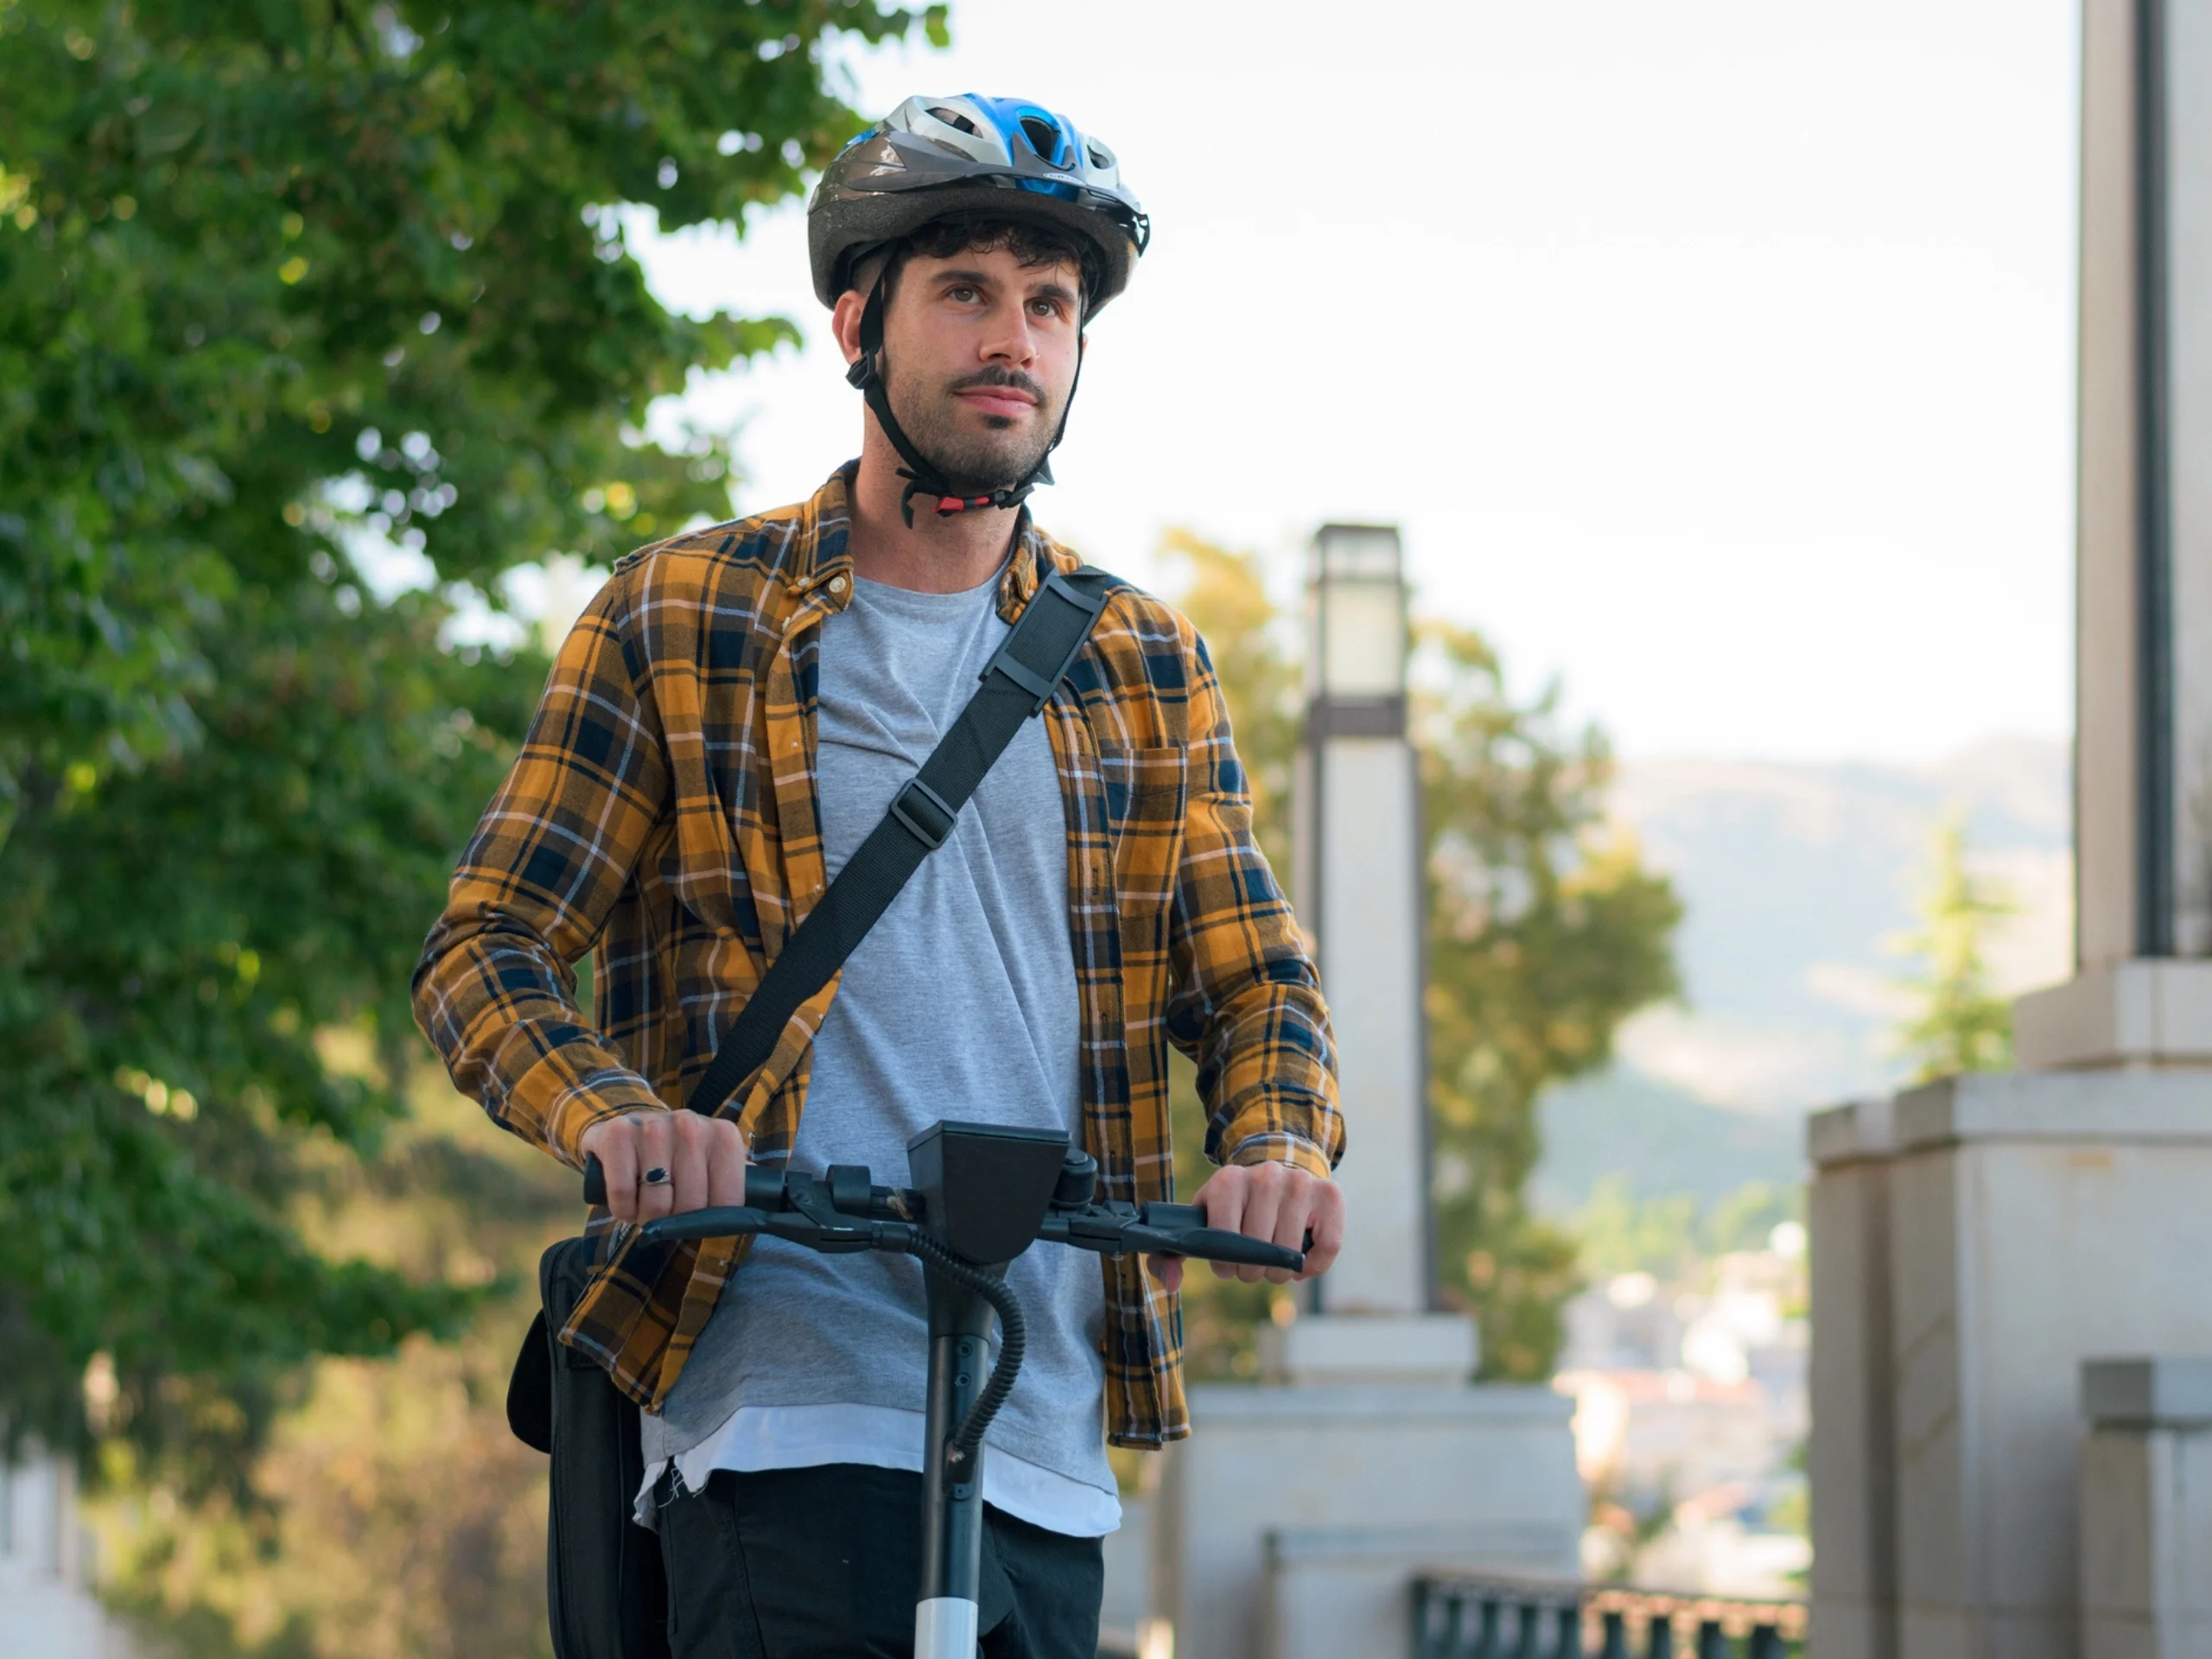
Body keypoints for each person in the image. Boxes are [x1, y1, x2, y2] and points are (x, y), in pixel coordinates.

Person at [413, 93, 1345, 1658]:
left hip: (1043, 1422)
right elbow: (485, 945)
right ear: (860, 322)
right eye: (968, 290)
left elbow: (1258, 982)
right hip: (783, 1396)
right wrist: (614, 1115)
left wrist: (1277, 1142)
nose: (1015, 337)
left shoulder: (1141, 663)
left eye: (1049, 304)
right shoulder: (681, 615)